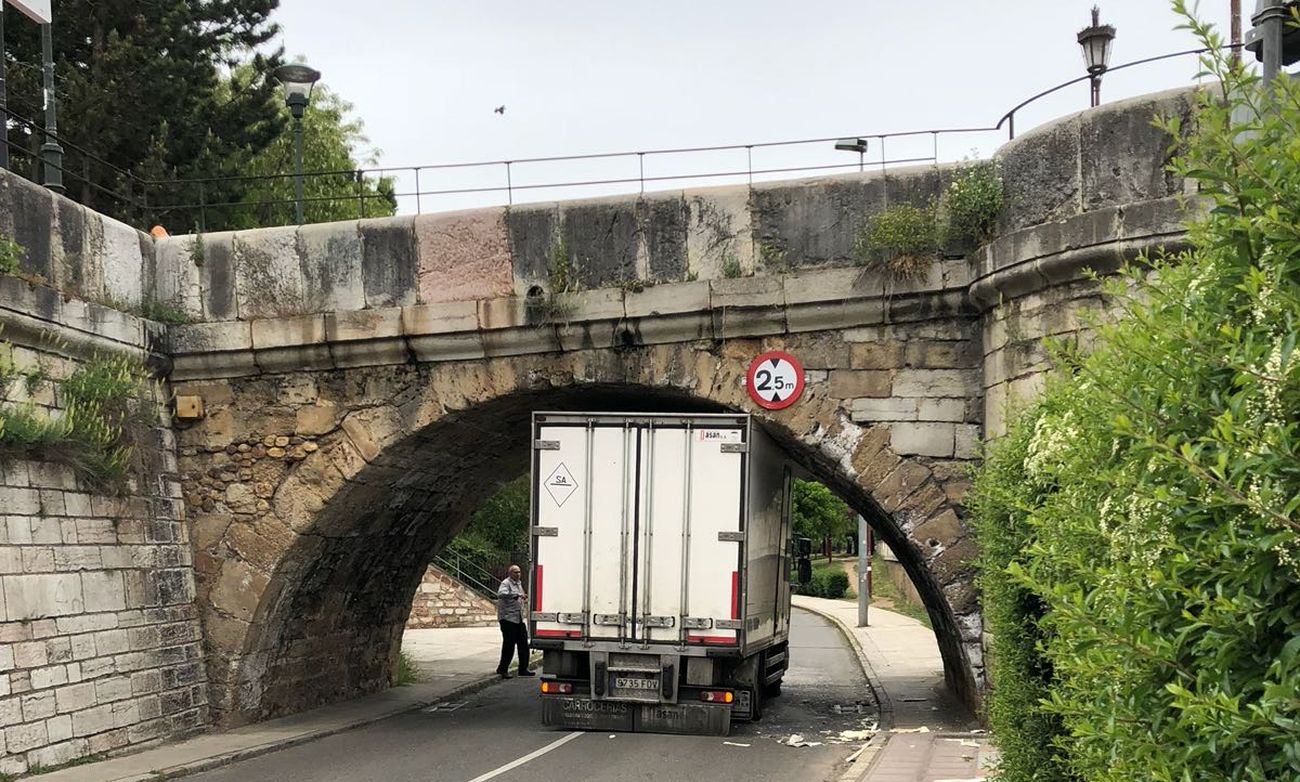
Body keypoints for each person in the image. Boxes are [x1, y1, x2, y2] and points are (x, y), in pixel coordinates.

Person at [496, 564, 533, 678]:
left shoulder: (519, 583)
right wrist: (516, 595)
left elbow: (521, 596)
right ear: (510, 573)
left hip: (518, 618)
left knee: (523, 644)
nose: (518, 574)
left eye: (519, 572)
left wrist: (523, 597)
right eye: (515, 572)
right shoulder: (506, 583)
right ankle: (503, 669)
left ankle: (523, 669)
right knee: (509, 645)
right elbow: (501, 594)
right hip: (507, 619)